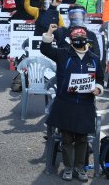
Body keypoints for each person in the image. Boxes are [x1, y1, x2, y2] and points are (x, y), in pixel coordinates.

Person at [41, 24, 104, 181]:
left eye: (81, 39)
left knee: (82, 139)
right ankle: (68, 168)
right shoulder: (63, 54)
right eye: (74, 38)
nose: (78, 41)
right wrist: (49, 33)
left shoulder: (94, 59)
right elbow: (45, 50)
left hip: (85, 104)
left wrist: (98, 88)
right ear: (70, 41)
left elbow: (100, 80)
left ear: (87, 40)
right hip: (65, 104)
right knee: (67, 138)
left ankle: (80, 168)